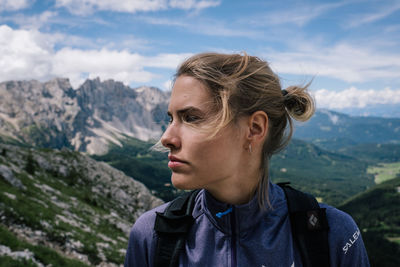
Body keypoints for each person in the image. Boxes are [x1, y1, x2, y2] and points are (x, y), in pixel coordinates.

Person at [124, 52, 370, 266]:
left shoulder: (332, 235)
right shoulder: (151, 236)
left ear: (254, 128)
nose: (167, 138)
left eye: (191, 118)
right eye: (171, 119)